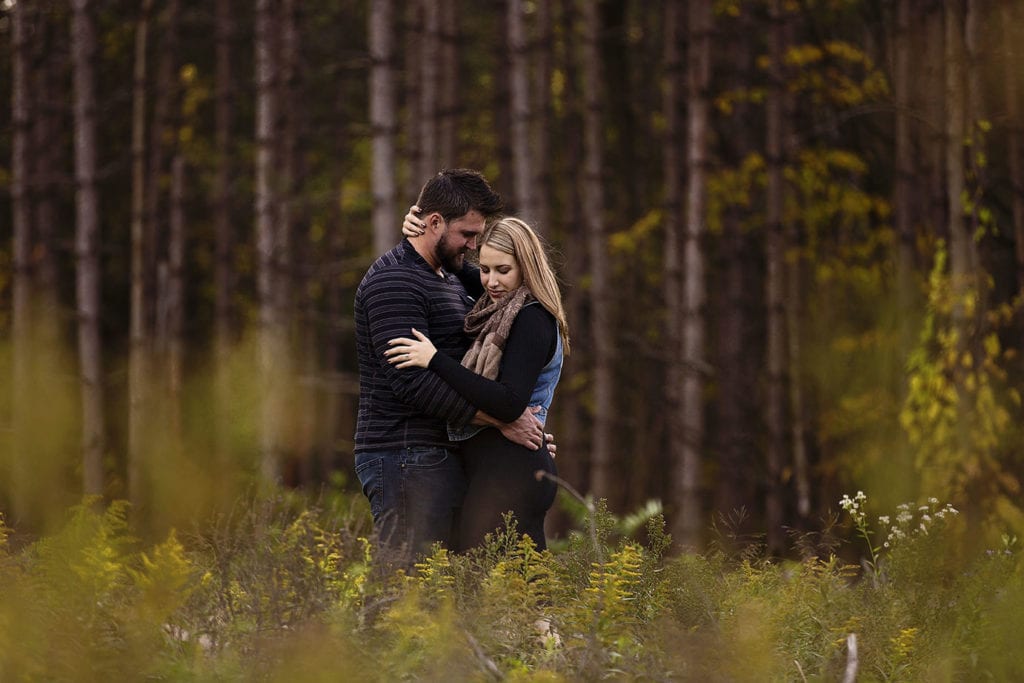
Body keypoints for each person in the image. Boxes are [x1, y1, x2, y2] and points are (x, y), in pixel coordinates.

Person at [353, 169, 546, 567]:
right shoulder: (395, 282)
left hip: (440, 454)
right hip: (403, 455)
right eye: (468, 235)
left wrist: (518, 427)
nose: (473, 245)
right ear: (436, 223)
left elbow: (508, 292)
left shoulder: (449, 277)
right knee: (403, 591)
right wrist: (501, 422)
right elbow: (412, 384)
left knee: (441, 596)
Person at [386, 215, 570, 551]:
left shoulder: (531, 317)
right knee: (494, 587)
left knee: (506, 589)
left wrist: (434, 359)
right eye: (485, 269)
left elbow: (509, 402)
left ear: (525, 268)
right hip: (499, 468)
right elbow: (459, 267)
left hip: (513, 470)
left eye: (503, 270)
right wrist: (422, 228)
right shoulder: (503, 306)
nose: (491, 281)